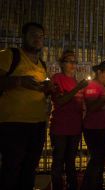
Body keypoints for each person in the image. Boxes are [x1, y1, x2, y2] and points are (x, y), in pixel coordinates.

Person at [0, 22, 50, 190]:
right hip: (14, 123)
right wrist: (20, 81)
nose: (37, 39)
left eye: (41, 36)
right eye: (33, 35)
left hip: (38, 123)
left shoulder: (42, 64)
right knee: (11, 168)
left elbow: (39, 90)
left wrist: (48, 89)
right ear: (23, 37)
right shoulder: (10, 55)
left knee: (30, 168)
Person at [50, 50, 88, 190]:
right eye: (69, 61)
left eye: (75, 61)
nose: (73, 64)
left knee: (71, 161)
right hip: (60, 127)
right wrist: (77, 88)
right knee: (58, 161)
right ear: (62, 63)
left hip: (75, 127)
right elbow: (60, 101)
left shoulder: (75, 80)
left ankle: (72, 186)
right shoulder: (57, 78)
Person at [81, 61, 105, 190]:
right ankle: (89, 185)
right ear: (99, 72)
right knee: (96, 159)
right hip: (94, 128)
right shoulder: (93, 86)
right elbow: (92, 107)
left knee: (100, 158)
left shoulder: (104, 86)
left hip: (104, 127)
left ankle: (97, 183)